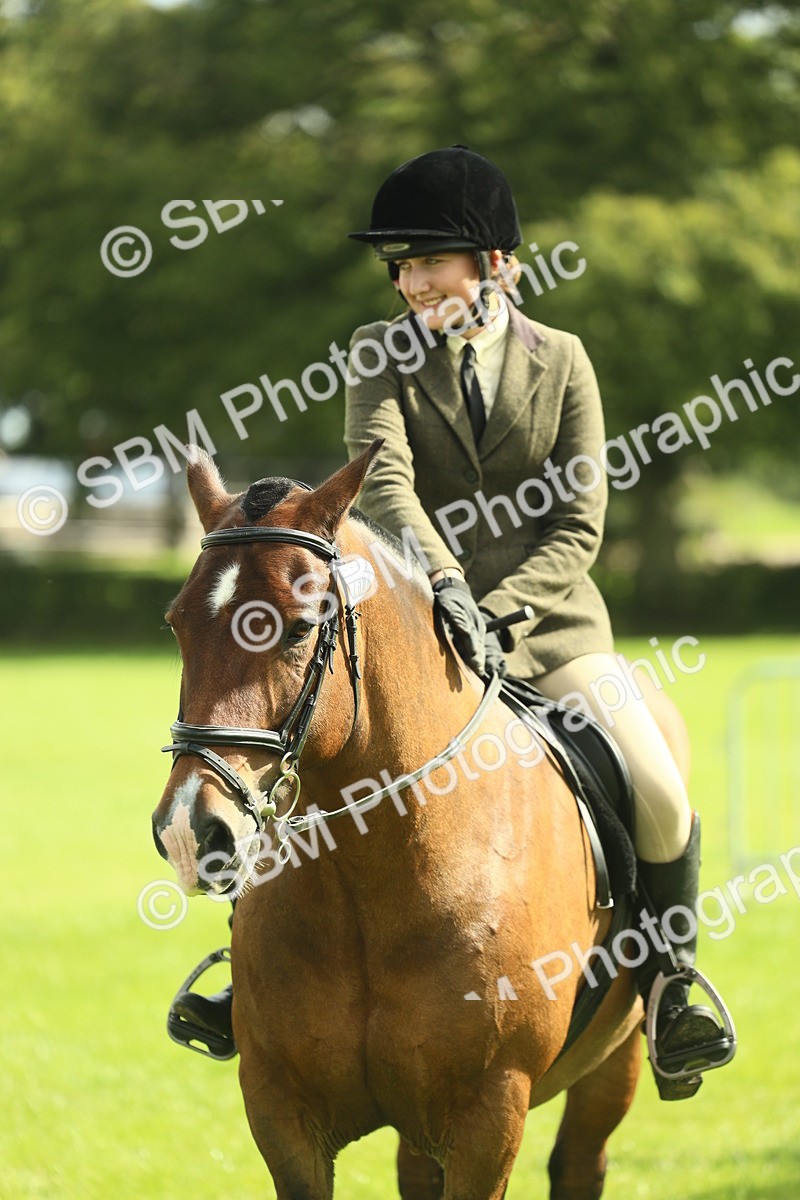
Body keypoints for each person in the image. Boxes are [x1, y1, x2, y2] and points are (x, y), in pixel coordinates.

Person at [342, 144, 734, 1100]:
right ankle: (250, 979)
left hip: (553, 630)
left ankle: (672, 985)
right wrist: (443, 587)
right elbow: (384, 480)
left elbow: (579, 523)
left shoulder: (564, 362)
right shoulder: (374, 356)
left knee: (658, 787)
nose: (411, 282)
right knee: (304, 750)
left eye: (431, 260)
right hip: (419, 629)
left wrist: (501, 611)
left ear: (498, 266)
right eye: (401, 265)